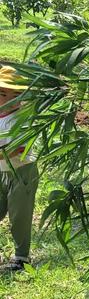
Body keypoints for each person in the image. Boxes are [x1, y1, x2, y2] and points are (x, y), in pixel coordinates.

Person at [0, 66, 39, 272]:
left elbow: (17, 148)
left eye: (15, 95)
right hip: (1, 170)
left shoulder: (22, 117)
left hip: (22, 171)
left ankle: (21, 257)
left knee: (19, 215)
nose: (8, 100)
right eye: (3, 93)